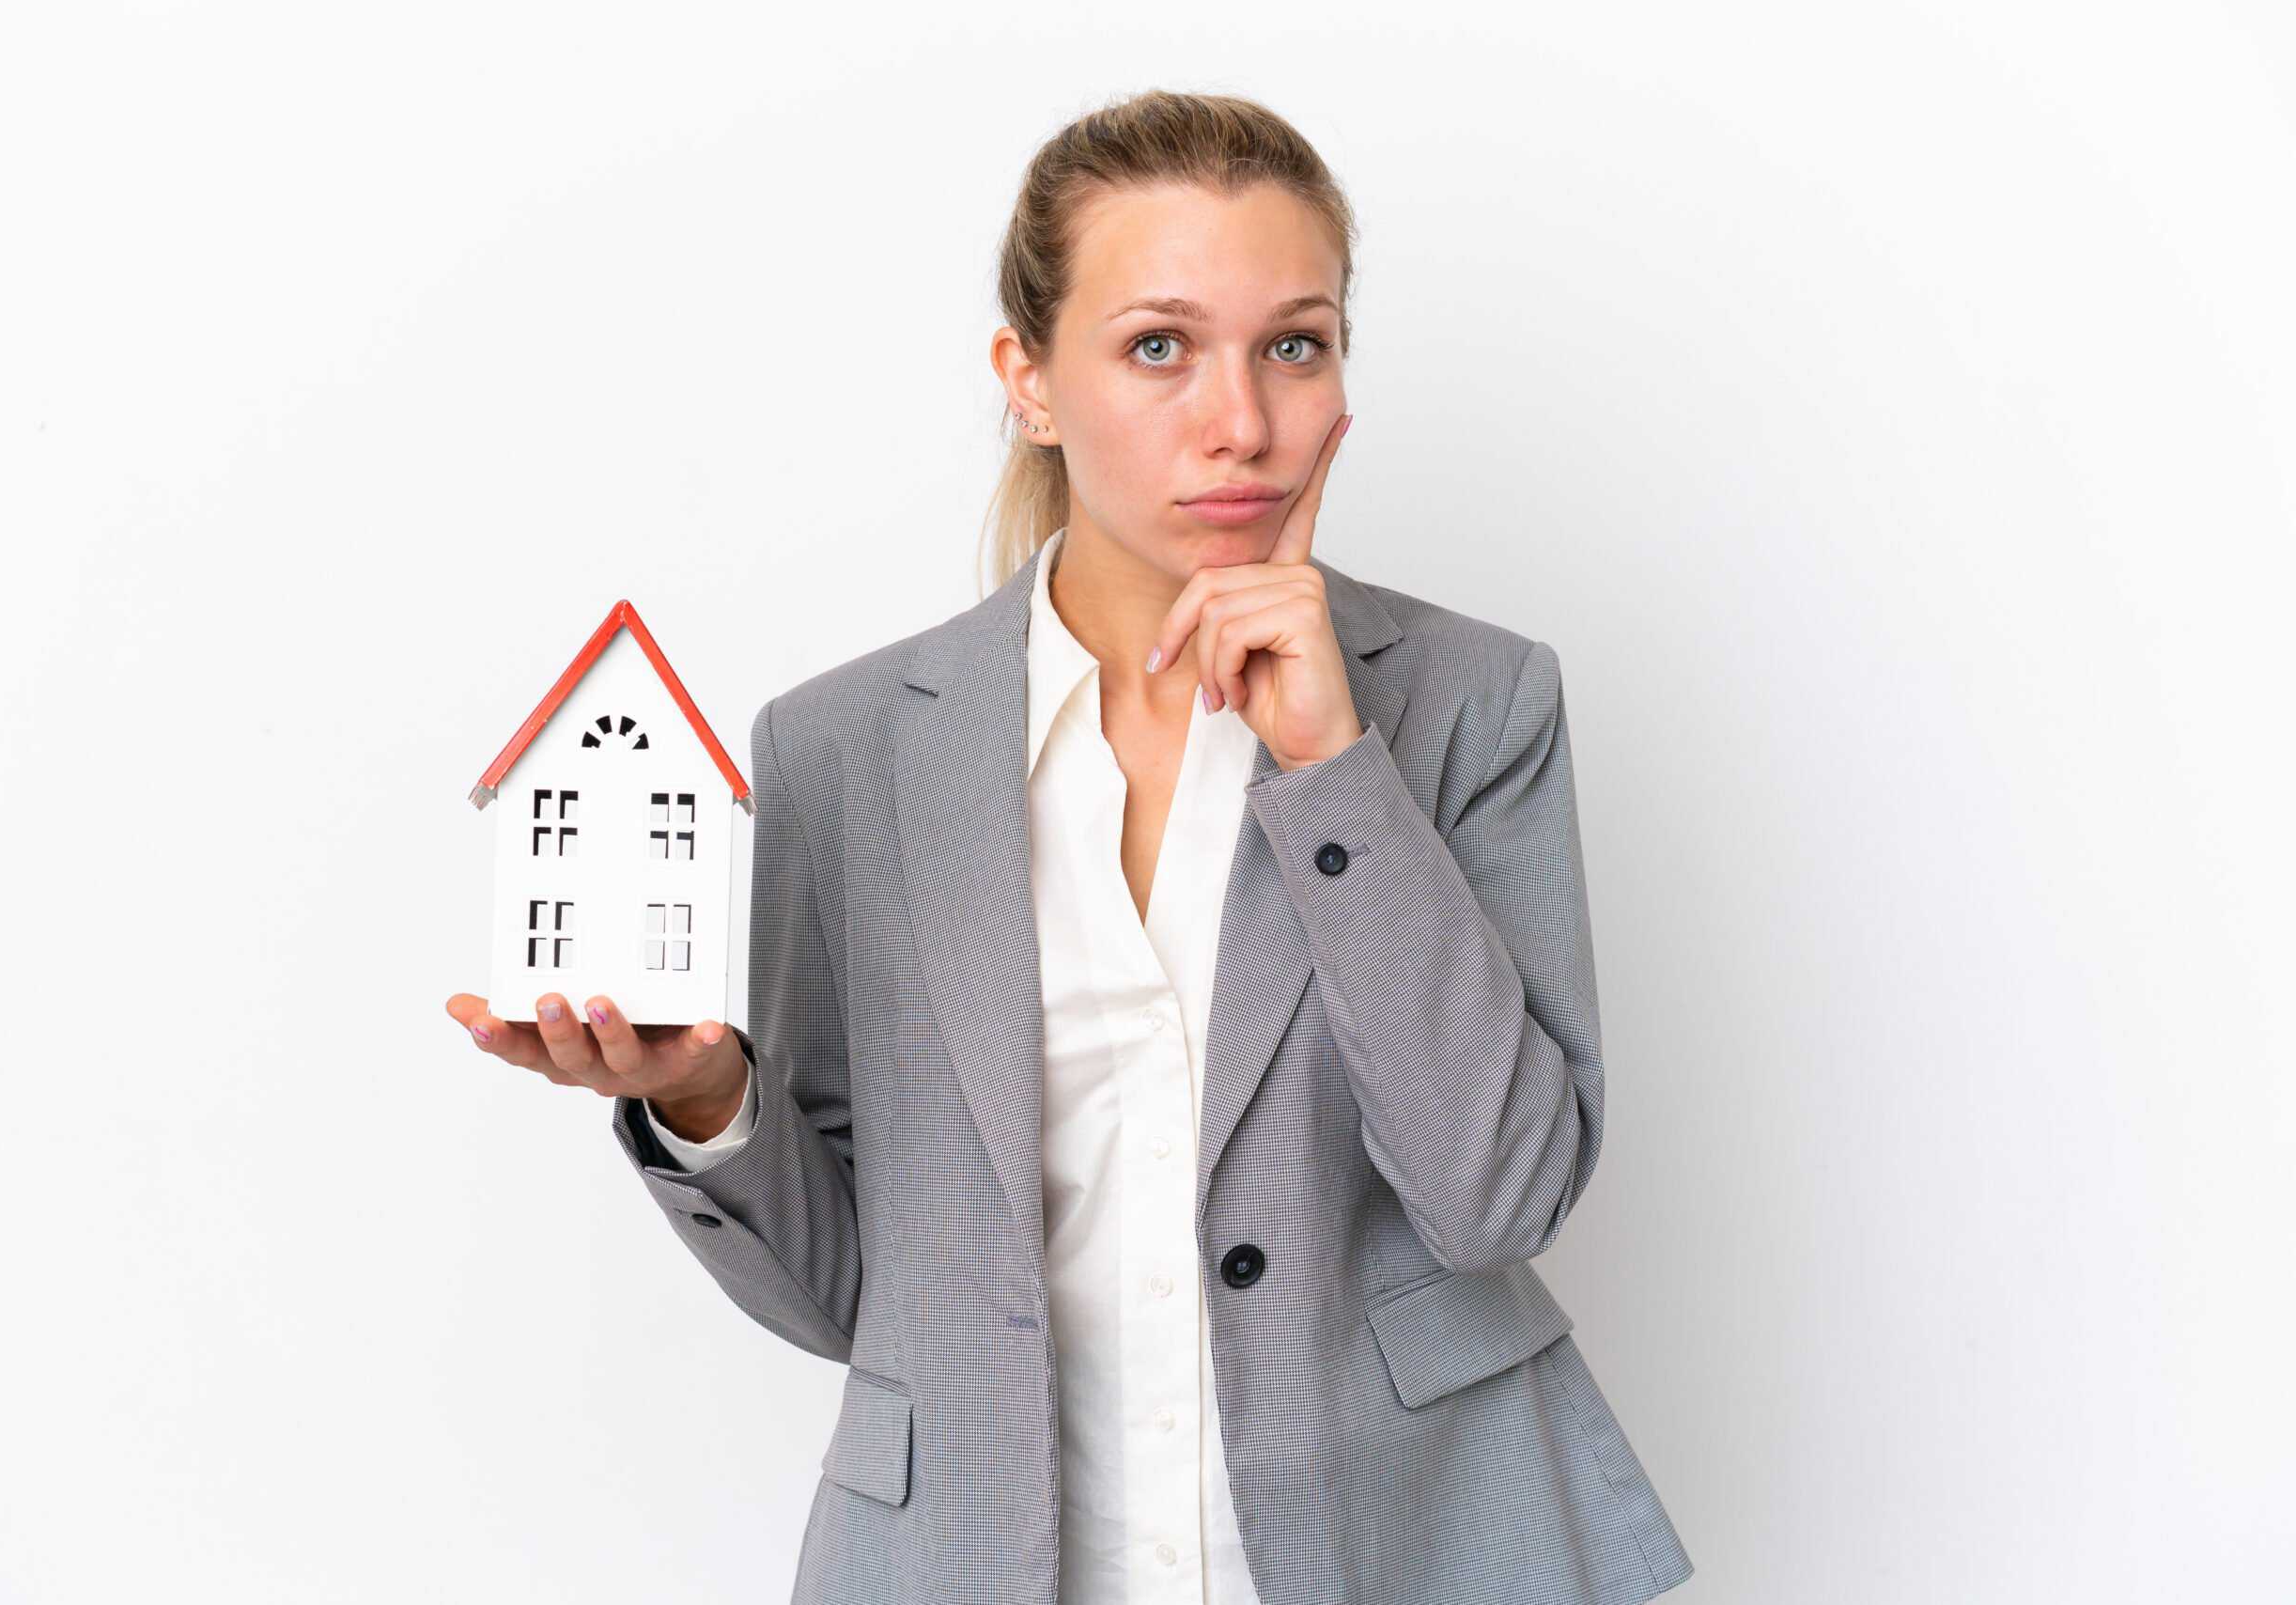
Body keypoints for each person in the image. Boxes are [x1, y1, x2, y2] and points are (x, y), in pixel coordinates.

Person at [446, 87, 1693, 1605]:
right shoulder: (845, 751)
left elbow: (1498, 1196)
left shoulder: (1470, 701)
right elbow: (863, 1299)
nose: (1241, 420)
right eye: (1158, 346)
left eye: (1293, 343)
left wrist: (1331, 767)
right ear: (1028, 377)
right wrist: (710, 1098)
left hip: (1402, 1550)